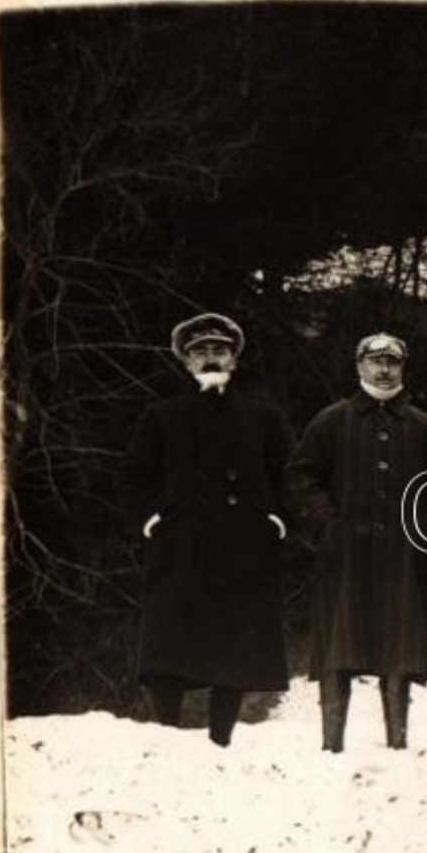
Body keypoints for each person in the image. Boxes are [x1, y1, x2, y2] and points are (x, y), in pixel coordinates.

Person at [119, 312, 294, 747]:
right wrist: (151, 519)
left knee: (233, 641)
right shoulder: (162, 416)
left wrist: (277, 518)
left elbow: (290, 474)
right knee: (170, 641)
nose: (210, 358)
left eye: (219, 350)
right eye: (200, 351)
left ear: (234, 358)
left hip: (243, 543)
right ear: (185, 361)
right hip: (182, 543)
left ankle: (222, 738)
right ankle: (166, 735)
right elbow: (133, 477)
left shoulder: (263, 418)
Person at [285, 333, 427, 752]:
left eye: (392, 362)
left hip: (403, 557)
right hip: (344, 556)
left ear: (403, 368)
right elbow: (300, 476)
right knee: (338, 646)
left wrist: (425, 528)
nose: (384, 370)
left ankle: (397, 740)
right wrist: (327, 525)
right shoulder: (332, 420)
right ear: (358, 365)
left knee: (399, 647)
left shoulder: (423, 426)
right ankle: (331, 744)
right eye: (375, 361)